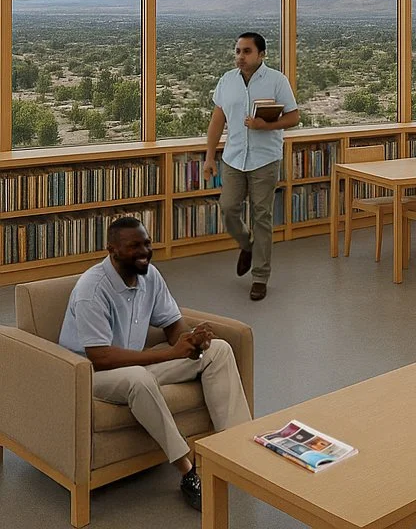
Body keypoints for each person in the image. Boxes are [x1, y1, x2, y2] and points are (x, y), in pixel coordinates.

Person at [58, 217, 251, 512]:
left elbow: (172, 323)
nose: (144, 251)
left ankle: (237, 453)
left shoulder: (150, 275)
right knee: (138, 379)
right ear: (112, 250)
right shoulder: (92, 290)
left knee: (219, 350)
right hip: (89, 374)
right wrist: (172, 354)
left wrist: (191, 341)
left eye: (147, 243)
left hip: (134, 366)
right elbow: (101, 358)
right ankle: (188, 471)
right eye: (134, 246)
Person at [203, 32, 299, 301]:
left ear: (261, 55)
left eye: (246, 51)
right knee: (228, 208)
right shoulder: (227, 81)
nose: (240, 57)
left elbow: (293, 116)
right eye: (237, 51)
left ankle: (260, 277)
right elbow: (217, 121)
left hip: (265, 159)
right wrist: (210, 157)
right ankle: (247, 245)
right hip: (233, 158)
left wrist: (266, 126)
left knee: (262, 217)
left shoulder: (277, 81)